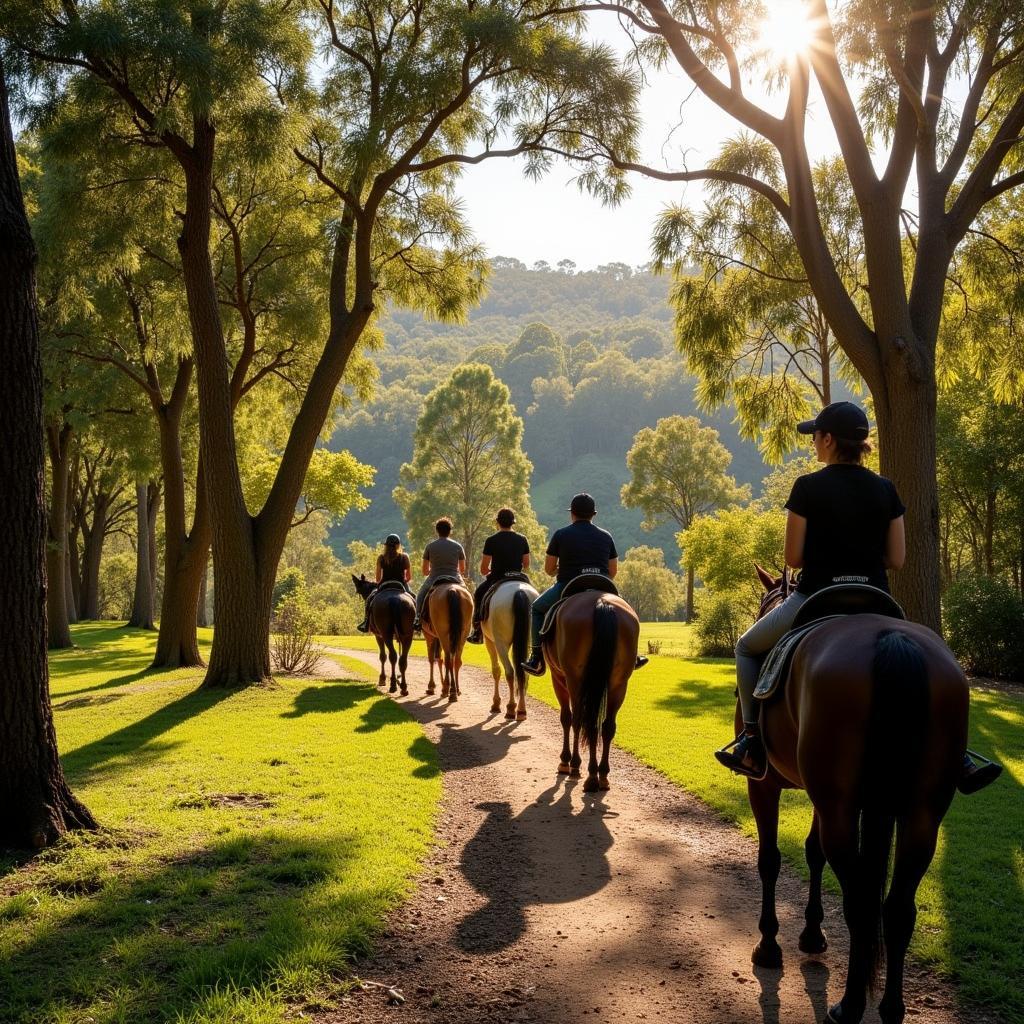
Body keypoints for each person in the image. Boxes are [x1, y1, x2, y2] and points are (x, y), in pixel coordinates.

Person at [714, 401, 1002, 794]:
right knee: (930, 657)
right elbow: (897, 560)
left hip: (815, 598)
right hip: (875, 601)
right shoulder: (886, 489)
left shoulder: (807, 487)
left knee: (746, 647)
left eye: (815, 435)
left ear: (829, 440)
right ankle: (959, 755)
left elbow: (793, 558)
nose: (813, 442)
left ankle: (750, 740)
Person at [521, 493, 648, 677]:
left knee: (537, 609)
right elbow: (612, 571)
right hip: (603, 585)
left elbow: (549, 569)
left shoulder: (561, 534)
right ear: (593, 514)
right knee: (628, 613)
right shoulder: (606, 536)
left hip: (569, 584)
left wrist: (564, 569)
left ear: (572, 513)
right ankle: (633, 654)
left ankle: (536, 656)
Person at [467, 508, 530, 644]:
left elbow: (484, 569)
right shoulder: (522, 539)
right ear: (513, 523)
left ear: (498, 523)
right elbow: (526, 564)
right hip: (518, 577)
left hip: (497, 577)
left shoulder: (491, 540)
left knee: (478, 594)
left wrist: (489, 572)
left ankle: (477, 631)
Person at [413, 517, 467, 632]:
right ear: (450, 531)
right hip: (455, 578)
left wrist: (432, 570)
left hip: (434, 578)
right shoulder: (458, 546)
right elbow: (462, 569)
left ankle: (417, 618)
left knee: (421, 595)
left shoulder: (430, 547)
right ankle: (471, 623)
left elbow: (424, 571)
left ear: (437, 531)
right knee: (468, 596)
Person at [356, 534, 412, 633]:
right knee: (414, 598)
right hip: (401, 585)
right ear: (398, 545)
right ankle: (416, 621)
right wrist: (403, 581)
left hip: (384, 585)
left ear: (386, 545)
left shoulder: (381, 558)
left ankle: (366, 622)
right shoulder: (404, 557)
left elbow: (378, 579)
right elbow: (408, 577)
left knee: (370, 600)